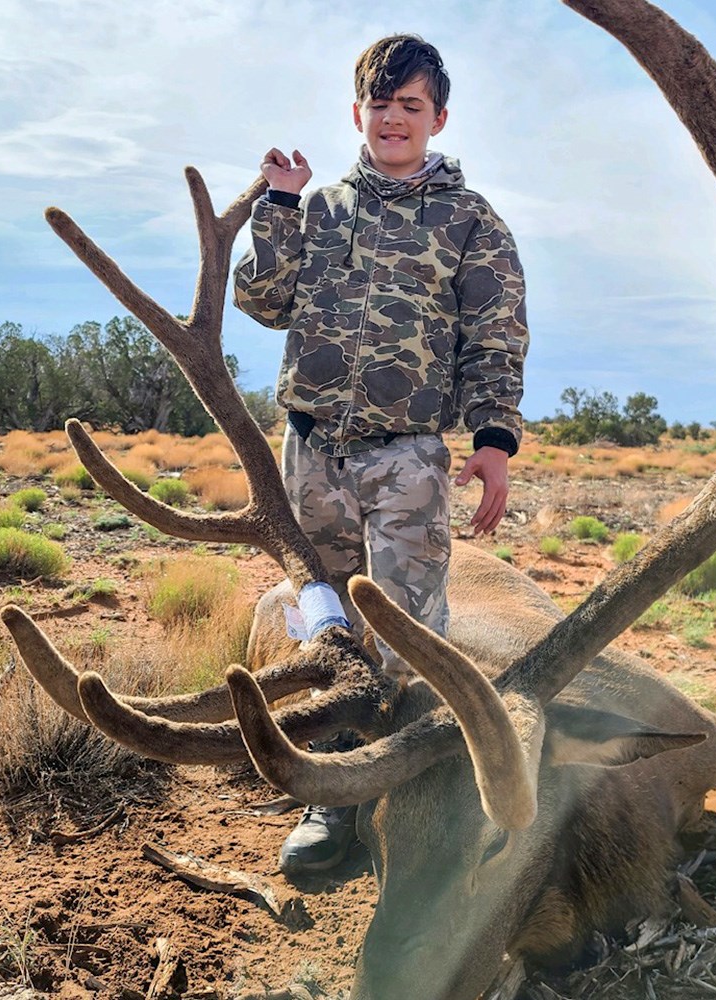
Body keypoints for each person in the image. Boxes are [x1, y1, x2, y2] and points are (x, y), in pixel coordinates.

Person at [233, 33, 528, 874]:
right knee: (323, 622)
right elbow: (262, 300)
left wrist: (495, 441)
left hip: (407, 459)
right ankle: (337, 804)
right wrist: (278, 206)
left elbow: (496, 338)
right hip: (311, 452)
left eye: (411, 106)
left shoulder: (473, 222)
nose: (394, 119)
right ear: (356, 111)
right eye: (381, 103)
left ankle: (413, 801)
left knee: (404, 631)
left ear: (438, 117)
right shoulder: (319, 205)